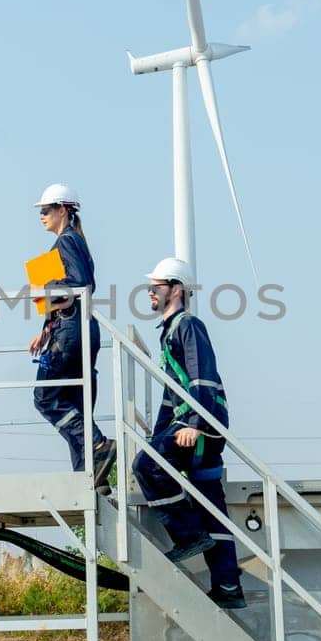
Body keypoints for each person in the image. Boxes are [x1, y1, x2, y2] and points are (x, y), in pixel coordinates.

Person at [129, 256, 245, 609]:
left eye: (156, 287)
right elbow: (172, 395)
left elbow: (202, 378)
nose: (149, 292)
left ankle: (189, 535)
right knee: (211, 504)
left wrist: (194, 425)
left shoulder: (188, 326)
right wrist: (161, 434)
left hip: (200, 428)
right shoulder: (170, 332)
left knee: (145, 466)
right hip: (192, 425)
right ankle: (228, 587)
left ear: (175, 290)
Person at [29, 183, 117, 483]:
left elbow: (81, 286)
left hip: (69, 333)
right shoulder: (77, 242)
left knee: (45, 397)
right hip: (76, 329)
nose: (41, 216)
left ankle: (98, 445)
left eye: (46, 210)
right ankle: (92, 477)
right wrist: (45, 328)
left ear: (63, 210)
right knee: (76, 408)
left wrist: (43, 290)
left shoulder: (66, 242)